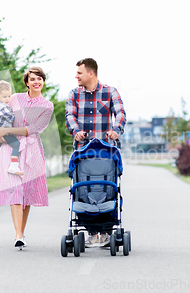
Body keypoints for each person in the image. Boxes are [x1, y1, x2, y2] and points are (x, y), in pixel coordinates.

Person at [65, 58, 126, 248]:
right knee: (85, 187)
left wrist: (116, 130)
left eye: (79, 73)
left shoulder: (110, 92)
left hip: (106, 150)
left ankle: (106, 230)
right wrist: (76, 132)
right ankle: (91, 231)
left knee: (106, 187)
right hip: (83, 151)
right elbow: (69, 116)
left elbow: (121, 113)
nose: (76, 76)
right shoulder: (74, 94)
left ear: (91, 73)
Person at [0, 67, 54, 249]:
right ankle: (18, 234)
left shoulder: (47, 106)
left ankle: (21, 233)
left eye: (40, 78)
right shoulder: (15, 98)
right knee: (15, 192)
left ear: (43, 82)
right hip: (12, 150)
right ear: (27, 82)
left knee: (26, 194)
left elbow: (32, 129)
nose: (36, 82)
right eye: (33, 79)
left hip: (32, 150)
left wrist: (8, 130)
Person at [0, 80, 23, 176]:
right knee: (16, 144)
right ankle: (13, 165)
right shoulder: (3, 107)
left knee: (3, 149)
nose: (7, 99)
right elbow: (12, 117)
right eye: (4, 97)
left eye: (9, 96)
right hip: (5, 132)